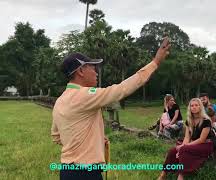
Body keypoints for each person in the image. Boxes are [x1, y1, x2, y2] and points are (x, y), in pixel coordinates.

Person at [51, 38, 171, 180]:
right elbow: (122, 89)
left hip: (66, 171)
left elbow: (56, 136)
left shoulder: (60, 101)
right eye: (92, 68)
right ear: (81, 71)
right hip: (86, 173)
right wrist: (155, 62)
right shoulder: (84, 96)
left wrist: (92, 140)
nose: (96, 72)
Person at [158, 98, 214, 180]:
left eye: (196, 105)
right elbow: (187, 137)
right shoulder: (189, 120)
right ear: (189, 108)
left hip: (205, 145)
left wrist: (184, 147)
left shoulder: (206, 121)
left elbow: (201, 139)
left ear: (200, 107)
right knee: (173, 151)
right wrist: (182, 146)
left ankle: (181, 175)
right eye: (192, 105)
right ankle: (163, 174)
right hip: (192, 144)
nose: (194, 107)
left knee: (184, 149)